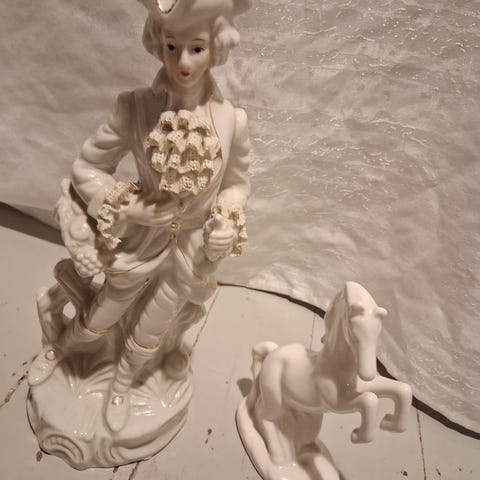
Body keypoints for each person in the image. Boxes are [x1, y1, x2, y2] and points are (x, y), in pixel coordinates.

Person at [28, 0, 252, 433]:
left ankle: (122, 386)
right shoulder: (134, 108)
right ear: (158, 43)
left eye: (196, 48)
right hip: (138, 243)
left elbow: (237, 184)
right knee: (100, 317)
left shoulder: (231, 121)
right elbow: (87, 168)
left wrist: (226, 219)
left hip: (190, 250)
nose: (183, 61)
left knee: (152, 330)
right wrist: (132, 208)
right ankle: (60, 347)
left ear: (216, 48)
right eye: (172, 46)